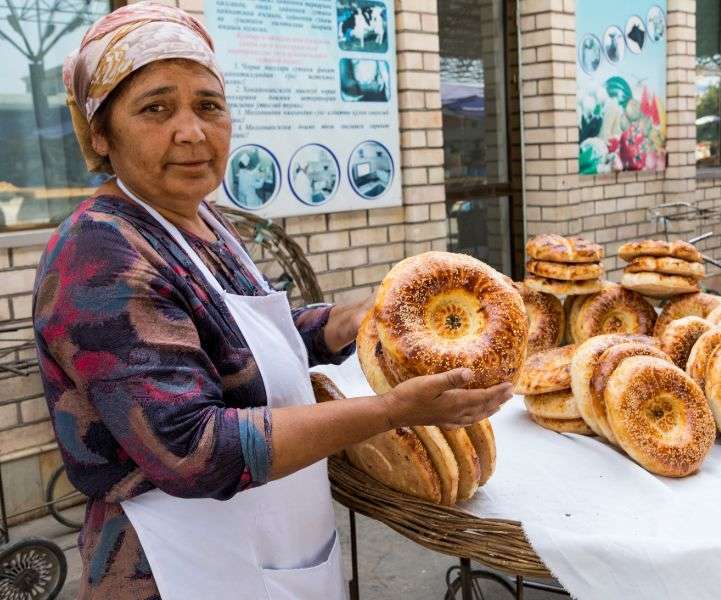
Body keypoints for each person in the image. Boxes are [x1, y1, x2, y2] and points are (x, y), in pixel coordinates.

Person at [32, 3, 513, 600]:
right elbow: (191, 449)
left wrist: (342, 322)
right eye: (155, 108)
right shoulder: (99, 252)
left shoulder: (202, 220)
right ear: (101, 133)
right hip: (179, 566)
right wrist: (391, 412)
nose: (192, 131)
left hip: (276, 549)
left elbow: (243, 341)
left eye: (208, 105)